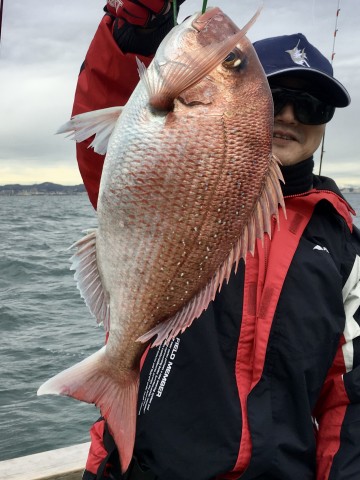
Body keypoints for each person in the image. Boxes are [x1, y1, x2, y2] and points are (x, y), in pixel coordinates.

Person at [70, 2, 360, 479]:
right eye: (278, 93)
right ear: (252, 100)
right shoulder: (179, 165)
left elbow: (346, 395)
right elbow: (107, 142)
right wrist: (133, 35)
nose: (290, 114)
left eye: (312, 105)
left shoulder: (344, 244)